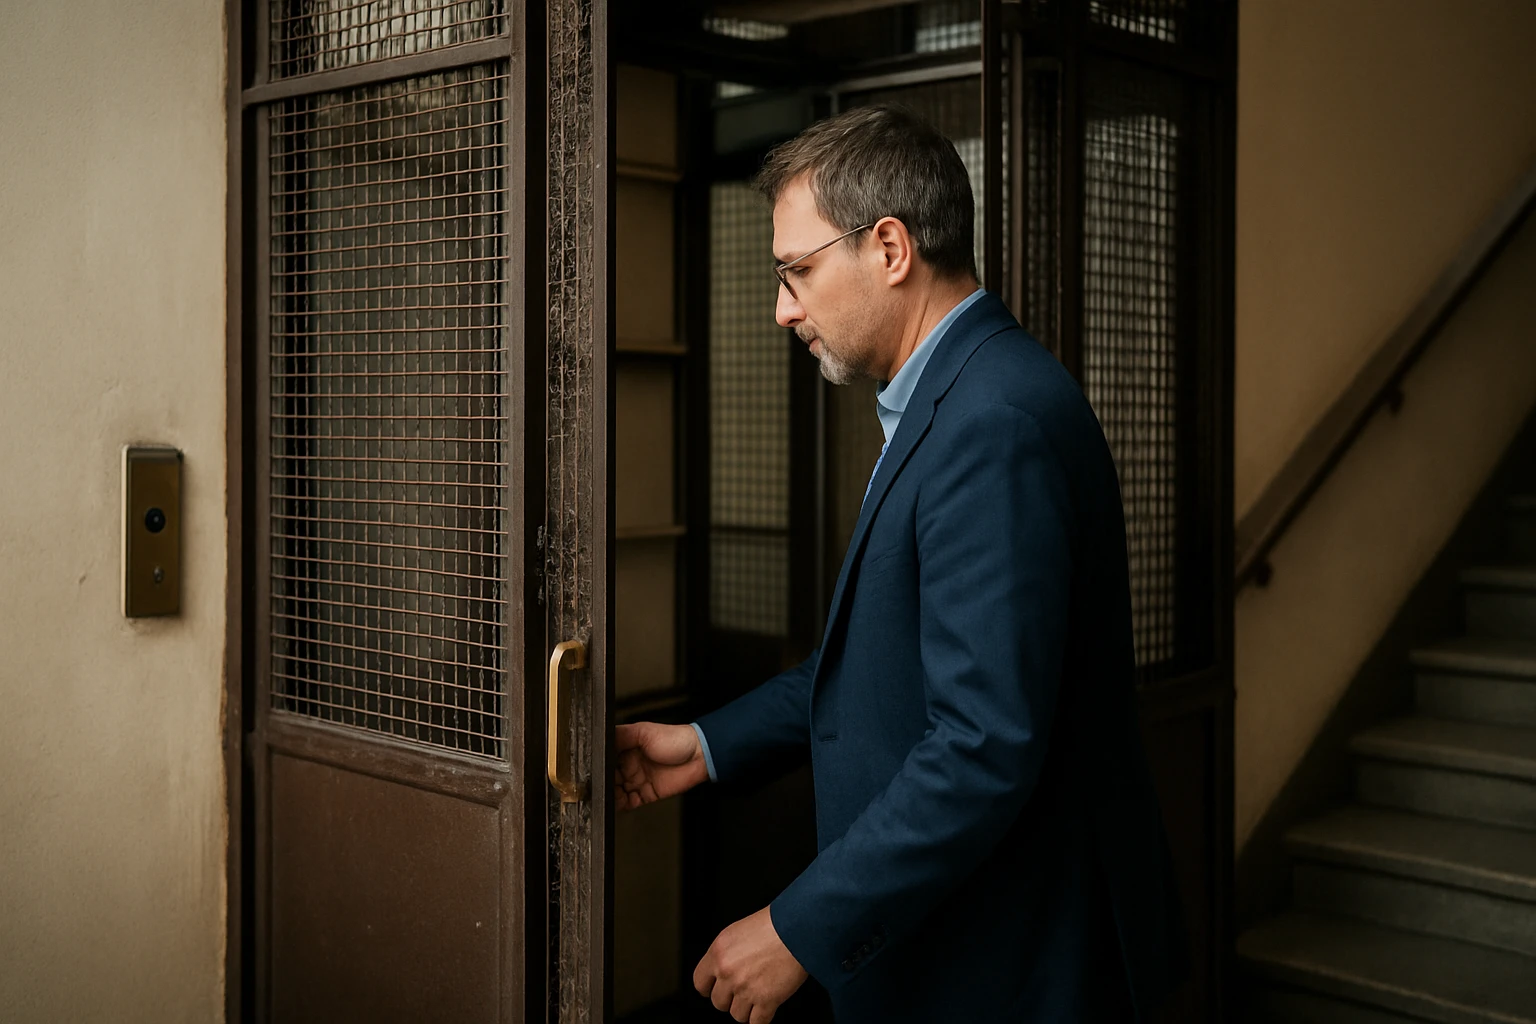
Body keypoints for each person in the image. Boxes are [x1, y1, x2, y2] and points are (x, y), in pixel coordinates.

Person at [614, 105, 1188, 1024]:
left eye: (796, 271)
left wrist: (799, 926)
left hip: (1008, 965)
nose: (782, 309)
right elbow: (882, 664)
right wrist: (707, 746)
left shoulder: (991, 421)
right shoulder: (953, 397)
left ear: (889, 247)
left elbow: (980, 743)